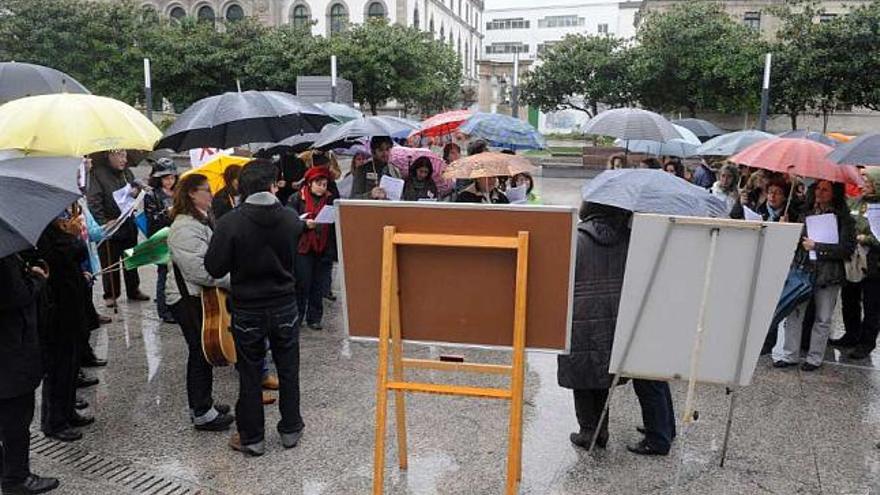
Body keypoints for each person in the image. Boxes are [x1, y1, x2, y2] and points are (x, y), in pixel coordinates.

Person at [205, 160, 308, 456]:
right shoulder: (290, 218)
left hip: (248, 307)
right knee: (288, 368)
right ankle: (291, 429)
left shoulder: (231, 222)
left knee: (250, 372)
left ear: (242, 187)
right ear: (272, 184)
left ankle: (252, 438)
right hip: (285, 304)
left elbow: (214, 266)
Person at [557, 202, 675, 456]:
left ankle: (591, 431)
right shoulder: (631, 239)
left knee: (583, 373)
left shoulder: (576, 238)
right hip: (618, 316)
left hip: (581, 316)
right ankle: (601, 429)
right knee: (602, 371)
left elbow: (561, 277)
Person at [164, 173, 235, 432]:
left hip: (199, 296)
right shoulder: (184, 227)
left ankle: (205, 403)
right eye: (206, 190)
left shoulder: (199, 221)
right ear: (192, 193)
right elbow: (199, 271)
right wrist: (230, 280)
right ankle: (202, 411)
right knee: (199, 352)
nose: (210, 194)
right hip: (187, 298)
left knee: (202, 352)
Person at [774, 180, 855, 371]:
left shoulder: (844, 219)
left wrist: (818, 247)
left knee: (823, 318)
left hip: (829, 275)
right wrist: (786, 228)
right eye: (818, 188)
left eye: (825, 189)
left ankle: (814, 357)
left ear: (834, 193)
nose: (820, 192)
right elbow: (795, 243)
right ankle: (790, 354)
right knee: (794, 313)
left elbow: (846, 249)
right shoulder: (805, 213)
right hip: (803, 270)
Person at [0, 251, 60, 495]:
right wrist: (37, 278)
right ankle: (16, 478)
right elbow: (15, 294)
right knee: (16, 417)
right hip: (9, 347)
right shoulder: (2, 256)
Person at [36, 208, 94, 443]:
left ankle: (68, 411)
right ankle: (54, 421)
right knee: (58, 366)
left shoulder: (53, 225)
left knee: (70, 363)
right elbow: (68, 253)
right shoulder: (43, 231)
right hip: (56, 308)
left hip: (71, 302)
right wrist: (73, 235)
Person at [86, 149, 149, 307]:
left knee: (131, 258)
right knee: (109, 260)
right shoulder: (98, 174)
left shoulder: (126, 172)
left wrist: (136, 191)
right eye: (120, 155)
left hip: (127, 221)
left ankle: (133, 289)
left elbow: (133, 188)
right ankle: (111, 294)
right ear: (110, 156)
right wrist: (103, 223)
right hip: (110, 223)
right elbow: (94, 200)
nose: (124, 159)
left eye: (125, 156)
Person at [834, 168, 880, 360]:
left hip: (874, 264)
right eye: (864, 182)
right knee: (849, 299)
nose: (865, 186)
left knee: (872, 305)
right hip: (852, 261)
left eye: (869, 183)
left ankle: (866, 343)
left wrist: (867, 239)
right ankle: (851, 334)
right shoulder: (857, 203)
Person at [289, 167, 336, 330]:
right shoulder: (296, 199)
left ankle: (314, 317)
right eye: (318, 184)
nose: (322, 187)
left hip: (323, 248)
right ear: (310, 183)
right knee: (302, 283)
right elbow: (289, 221)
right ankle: (298, 315)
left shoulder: (330, 200)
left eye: (324, 184)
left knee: (319, 284)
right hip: (303, 248)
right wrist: (304, 224)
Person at [144, 158, 179, 323]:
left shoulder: (178, 192)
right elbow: (152, 219)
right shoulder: (151, 195)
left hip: (177, 237)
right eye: (165, 178)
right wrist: (167, 212)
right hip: (161, 239)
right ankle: (164, 310)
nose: (169, 181)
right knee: (163, 274)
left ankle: (176, 306)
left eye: (172, 177)